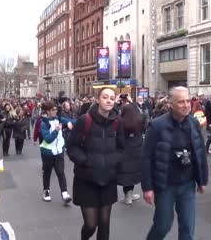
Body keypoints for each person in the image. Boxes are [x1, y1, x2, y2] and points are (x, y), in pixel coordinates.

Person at [142, 86, 208, 240]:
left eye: (188, 101)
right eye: (181, 102)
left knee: (187, 229)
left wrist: (202, 179)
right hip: (165, 185)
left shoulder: (193, 123)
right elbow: (146, 157)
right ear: (170, 104)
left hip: (187, 184)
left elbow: (200, 152)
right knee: (162, 226)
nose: (186, 105)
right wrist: (147, 187)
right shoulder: (157, 125)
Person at [67, 87, 124, 240]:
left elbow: (121, 147)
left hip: (108, 180)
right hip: (87, 180)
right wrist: (86, 161)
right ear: (98, 99)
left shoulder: (118, 122)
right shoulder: (85, 120)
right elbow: (72, 147)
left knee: (104, 224)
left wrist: (114, 161)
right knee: (91, 225)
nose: (109, 100)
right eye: (105, 97)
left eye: (112, 98)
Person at [39, 101, 71, 205]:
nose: (55, 111)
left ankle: (64, 193)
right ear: (47, 111)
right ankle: (46, 192)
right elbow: (48, 139)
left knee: (60, 172)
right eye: (53, 110)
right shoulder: (44, 123)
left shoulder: (59, 119)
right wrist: (57, 130)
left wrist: (71, 123)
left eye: (56, 109)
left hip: (59, 151)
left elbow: (72, 121)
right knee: (47, 173)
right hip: (47, 152)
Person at [118, 95, 142, 205]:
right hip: (136, 151)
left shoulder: (121, 123)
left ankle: (127, 195)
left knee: (126, 174)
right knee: (132, 173)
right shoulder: (138, 122)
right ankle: (130, 194)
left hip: (124, 151)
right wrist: (132, 103)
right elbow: (140, 113)